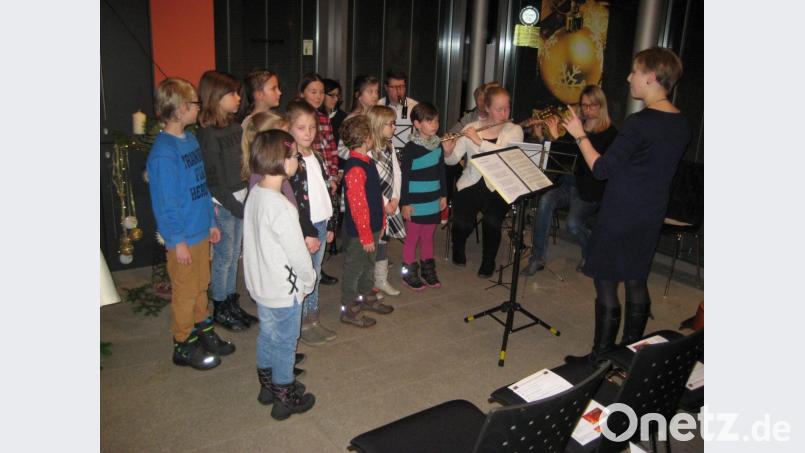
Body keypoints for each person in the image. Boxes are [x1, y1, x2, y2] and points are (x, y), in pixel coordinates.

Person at [561, 47, 691, 364]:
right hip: (650, 213)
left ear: (650, 77)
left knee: (606, 283)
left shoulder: (639, 122)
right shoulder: (682, 123)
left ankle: (602, 357)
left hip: (620, 213)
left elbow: (602, 169)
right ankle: (633, 354)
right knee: (636, 279)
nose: (629, 77)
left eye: (634, 71)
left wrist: (579, 136)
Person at [146, 77, 231, 371]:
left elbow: (201, 184)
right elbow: (165, 203)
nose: (199, 107)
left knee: (201, 285)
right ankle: (182, 343)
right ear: (181, 109)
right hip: (182, 237)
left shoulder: (191, 139)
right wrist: (177, 240)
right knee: (184, 292)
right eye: (194, 103)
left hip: (200, 229)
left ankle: (202, 329)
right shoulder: (163, 154)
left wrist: (210, 220)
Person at [243, 129, 317, 420]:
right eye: (295, 155)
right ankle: (284, 396)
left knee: (268, 336)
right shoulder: (282, 207)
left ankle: (267, 387)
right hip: (284, 290)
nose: (297, 160)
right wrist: (308, 280)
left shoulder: (256, 195)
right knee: (286, 342)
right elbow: (297, 253)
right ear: (283, 161)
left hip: (262, 286)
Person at [524, 85, 618, 275]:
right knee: (545, 201)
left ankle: (591, 251)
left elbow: (595, 165)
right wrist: (549, 137)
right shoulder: (578, 127)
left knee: (573, 224)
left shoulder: (611, 134)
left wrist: (576, 137)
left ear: (601, 106)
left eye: (592, 106)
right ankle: (537, 258)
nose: (587, 110)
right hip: (569, 185)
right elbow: (563, 158)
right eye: (584, 105)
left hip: (590, 191)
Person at [444, 85, 524, 278]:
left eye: (507, 108)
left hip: (499, 185)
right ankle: (458, 246)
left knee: (492, 221)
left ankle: (489, 260)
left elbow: (504, 158)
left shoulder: (515, 131)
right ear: (487, 108)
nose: (504, 113)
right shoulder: (471, 129)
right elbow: (453, 160)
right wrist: (447, 150)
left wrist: (480, 142)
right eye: (499, 109)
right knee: (462, 222)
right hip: (471, 181)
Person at [197, 70, 256, 330]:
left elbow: (242, 164)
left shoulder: (234, 127)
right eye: (232, 94)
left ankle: (232, 301)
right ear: (216, 97)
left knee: (234, 255)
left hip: (240, 198)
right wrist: (235, 206)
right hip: (224, 203)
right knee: (224, 256)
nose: (238, 98)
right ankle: (220, 305)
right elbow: (214, 180)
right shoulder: (209, 134)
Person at [285, 101, 338, 346]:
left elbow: (326, 190)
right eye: (301, 128)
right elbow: (295, 201)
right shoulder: (292, 160)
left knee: (314, 275)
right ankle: (302, 323)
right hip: (306, 228)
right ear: (289, 129)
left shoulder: (315, 155)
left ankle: (313, 320)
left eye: (311, 128)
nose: (308, 133)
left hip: (321, 222)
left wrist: (331, 224)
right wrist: (307, 232)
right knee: (305, 276)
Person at [339, 115, 395, 327]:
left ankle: (365, 298)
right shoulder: (355, 168)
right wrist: (365, 236)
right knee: (355, 269)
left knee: (369, 266)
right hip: (359, 233)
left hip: (371, 228)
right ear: (366, 138)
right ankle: (348, 308)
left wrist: (381, 224)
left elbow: (375, 197)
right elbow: (358, 207)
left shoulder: (367, 161)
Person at [398, 102, 453, 290]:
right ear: (416, 123)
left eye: (436, 121)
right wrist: (405, 203)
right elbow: (404, 178)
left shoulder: (438, 145)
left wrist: (444, 195)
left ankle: (428, 270)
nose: (434, 125)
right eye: (429, 121)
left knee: (428, 236)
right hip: (415, 200)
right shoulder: (410, 148)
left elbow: (441, 172)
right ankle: (408, 272)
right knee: (413, 237)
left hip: (432, 198)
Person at [298, 73, 341, 286]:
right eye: (312, 92)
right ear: (301, 94)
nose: (318, 96)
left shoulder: (324, 117)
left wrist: (333, 176)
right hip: (309, 181)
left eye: (321, 92)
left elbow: (331, 149)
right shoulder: (299, 119)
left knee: (325, 226)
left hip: (325, 177)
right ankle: (306, 274)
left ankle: (318, 270)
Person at [366, 105, 405, 296]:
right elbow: (371, 185)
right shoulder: (368, 151)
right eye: (391, 124)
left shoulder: (390, 145)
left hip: (391, 202)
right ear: (378, 125)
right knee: (373, 244)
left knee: (383, 242)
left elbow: (397, 173)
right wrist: (384, 205)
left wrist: (396, 197)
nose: (394, 127)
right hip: (377, 206)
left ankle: (381, 280)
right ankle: (370, 283)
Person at [378, 70, 419, 151]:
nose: (399, 91)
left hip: (409, 153)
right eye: (395, 87)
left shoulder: (415, 106)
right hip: (384, 153)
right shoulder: (378, 106)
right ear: (386, 87)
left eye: (402, 86)